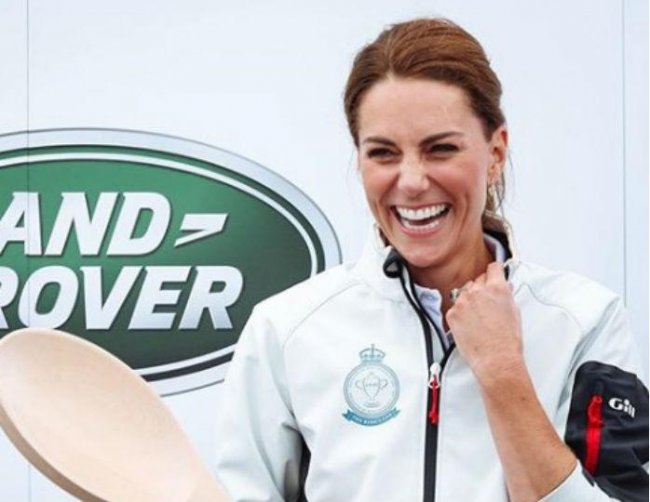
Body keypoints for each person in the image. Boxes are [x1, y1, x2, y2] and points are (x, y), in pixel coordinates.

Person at [214, 18, 648, 501]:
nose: (412, 181)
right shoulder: (287, 329)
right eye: (383, 153)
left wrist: (503, 372)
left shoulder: (583, 320)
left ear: (496, 152)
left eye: (440, 149)